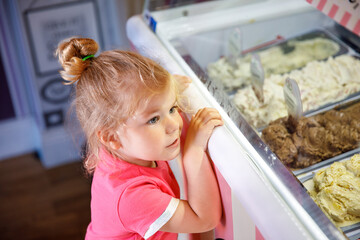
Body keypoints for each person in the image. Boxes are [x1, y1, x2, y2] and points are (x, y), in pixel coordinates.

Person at [56, 37, 223, 240]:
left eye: (172, 108)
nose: (174, 124)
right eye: (153, 119)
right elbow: (205, 219)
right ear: (111, 137)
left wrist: (164, 96)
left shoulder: (120, 146)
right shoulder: (132, 197)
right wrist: (193, 153)